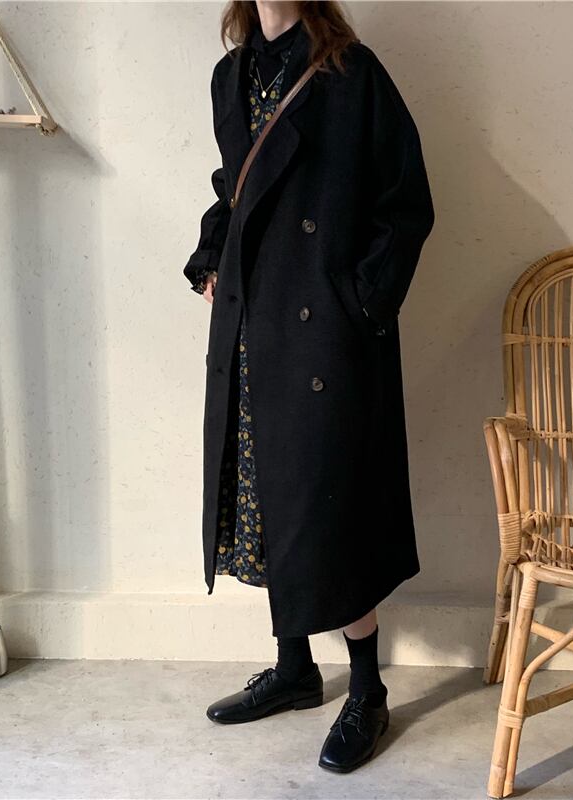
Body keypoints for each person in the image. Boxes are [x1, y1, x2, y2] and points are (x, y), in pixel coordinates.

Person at [183, 0, 434, 773]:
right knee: (266, 496)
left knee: (332, 510)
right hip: (253, 322)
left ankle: (368, 691)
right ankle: (295, 670)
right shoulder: (231, 76)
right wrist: (212, 257)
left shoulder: (352, 75)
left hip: (322, 330)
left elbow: (407, 203)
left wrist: (359, 302)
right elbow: (237, 186)